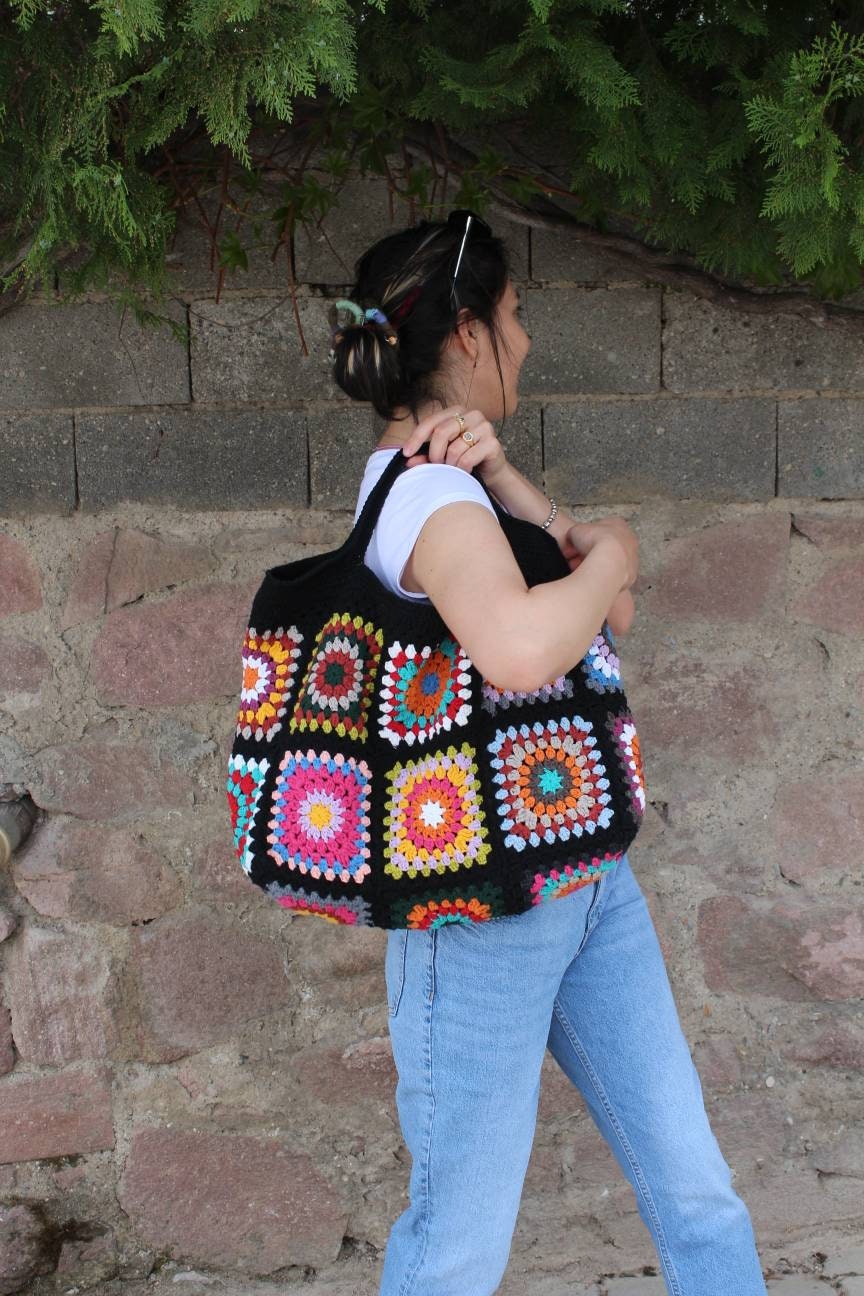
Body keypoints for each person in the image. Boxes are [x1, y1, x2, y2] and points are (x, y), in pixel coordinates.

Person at [330, 210, 768, 1296]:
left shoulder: (464, 486)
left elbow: (603, 611)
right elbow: (533, 646)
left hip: (583, 878)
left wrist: (519, 483)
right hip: (478, 917)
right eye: (516, 317)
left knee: (696, 1188)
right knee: (455, 1248)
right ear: (468, 335)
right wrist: (615, 540)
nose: (526, 343)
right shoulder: (428, 498)